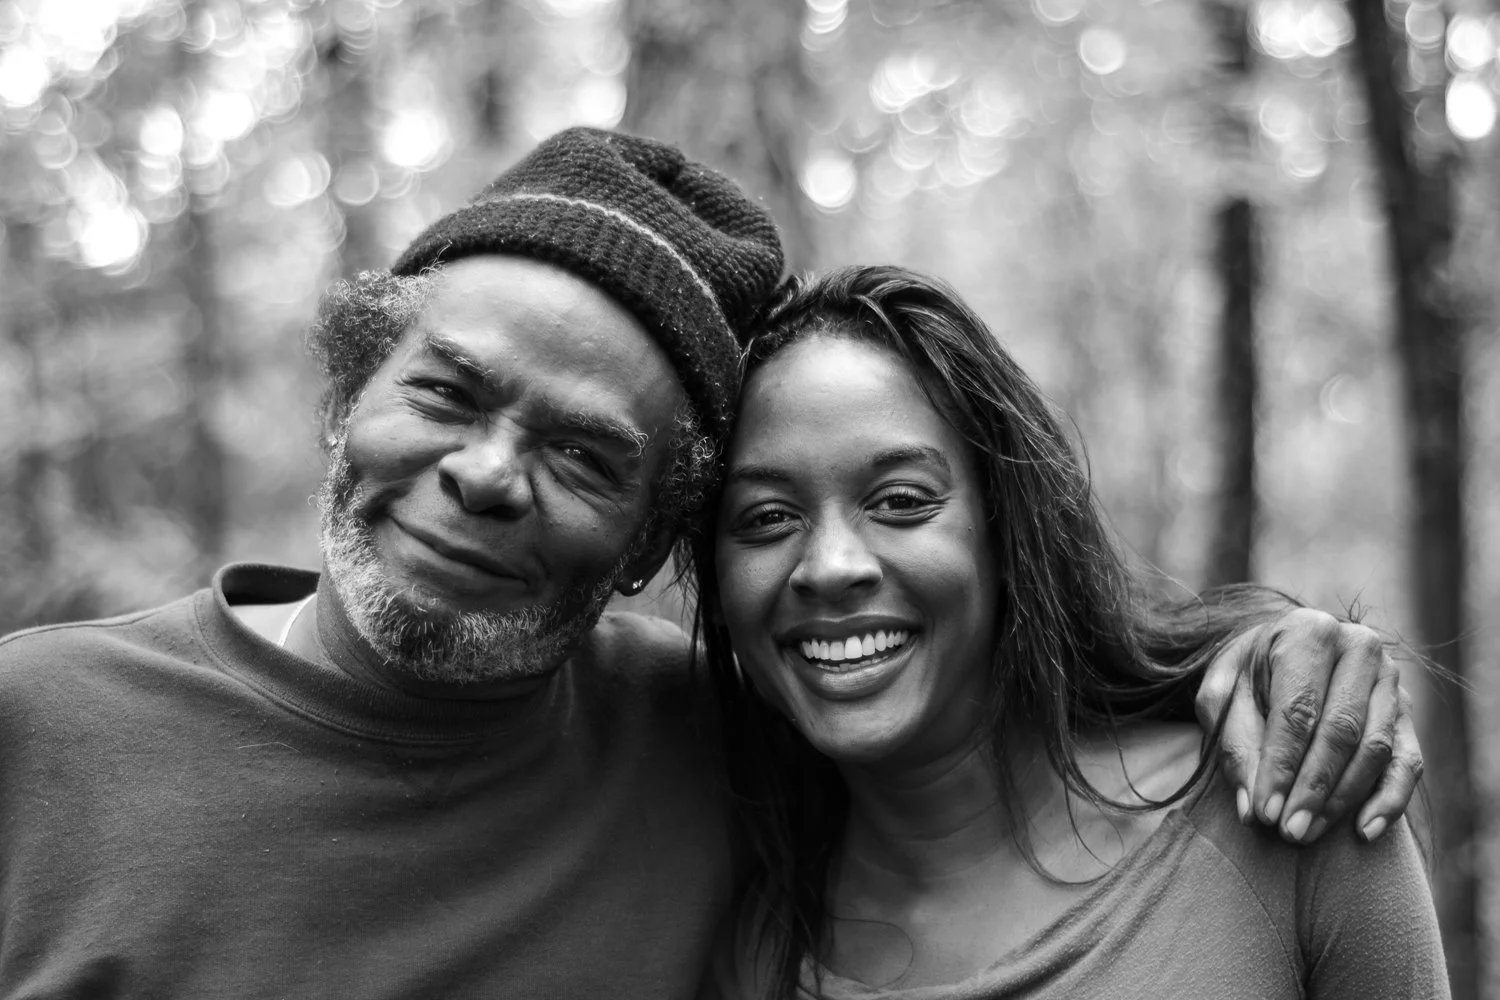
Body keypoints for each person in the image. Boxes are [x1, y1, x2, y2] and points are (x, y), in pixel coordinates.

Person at [0, 130, 1421, 999]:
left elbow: (994, 697)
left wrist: (1284, 644)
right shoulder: (37, 733)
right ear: (347, 394)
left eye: (584, 454)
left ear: (639, 552)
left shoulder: (708, 757)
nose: (490, 473)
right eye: (445, 392)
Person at [695, 265, 1447, 999]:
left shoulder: (1287, 803)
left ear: (1002, 533)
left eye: (900, 501)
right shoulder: (749, 956)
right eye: (766, 517)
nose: (830, 567)